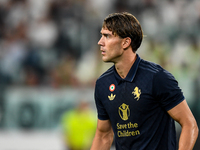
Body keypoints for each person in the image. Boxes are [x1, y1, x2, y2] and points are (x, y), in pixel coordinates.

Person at [90, 12, 198, 150]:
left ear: (126, 42)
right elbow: (103, 135)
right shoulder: (102, 84)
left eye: (107, 36)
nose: (100, 42)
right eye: (101, 35)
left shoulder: (157, 78)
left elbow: (189, 124)